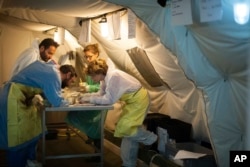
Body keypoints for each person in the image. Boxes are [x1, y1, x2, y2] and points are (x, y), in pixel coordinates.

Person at [80, 59, 157, 167]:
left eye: (92, 76)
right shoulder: (105, 78)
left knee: (126, 128)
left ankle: (151, 139)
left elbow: (108, 100)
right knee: (127, 134)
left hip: (139, 100)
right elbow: (101, 93)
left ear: (99, 72)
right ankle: (128, 164)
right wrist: (86, 97)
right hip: (132, 101)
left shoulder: (113, 77)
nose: (92, 79)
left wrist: (90, 99)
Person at [0, 60, 77, 167]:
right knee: (18, 137)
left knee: (33, 129)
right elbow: (56, 102)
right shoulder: (54, 74)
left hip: (22, 98)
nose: (69, 85)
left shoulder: (51, 69)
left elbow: (47, 92)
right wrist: (72, 101)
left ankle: (29, 160)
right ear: (68, 74)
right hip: (13, 98)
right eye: (71, 81)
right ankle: (17, 163)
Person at [65, 43, 108, 148]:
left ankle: (97, 152)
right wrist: (85, 87)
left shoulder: (101, 68)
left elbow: (103, 88)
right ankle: (92, 138)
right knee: (74, 116)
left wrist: (89, 88)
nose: (88, 59)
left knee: (95, 126)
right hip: (93, 99)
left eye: (90, 56)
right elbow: (94, 83)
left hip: (100, 101)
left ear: (97, 54)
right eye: (86, 57)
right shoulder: (90, 67)